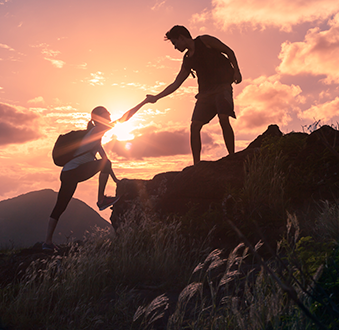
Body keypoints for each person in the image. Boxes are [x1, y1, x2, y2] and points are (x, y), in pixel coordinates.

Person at [44, 99, 148, 251]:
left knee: (60, 206)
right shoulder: (96, 131)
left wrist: (115, 179)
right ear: (100, 118)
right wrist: (144, 102)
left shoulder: (94, 136)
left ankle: (47, 242)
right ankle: (101, 200)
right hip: (73, 172)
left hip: (68, 173)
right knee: (61, 205)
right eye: (107, 113)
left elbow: (106, 160)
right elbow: (124, 119)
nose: (110, 115)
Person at [146, 25, 242, 165]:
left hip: (222, 87)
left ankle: (232, 157)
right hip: (205, 94)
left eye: (175, 43)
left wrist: (237, 71)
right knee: (195, 126)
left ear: (181, 37)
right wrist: (156, 97)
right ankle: (196, 165)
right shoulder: (187, 60)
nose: (175, 47)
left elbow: (229, 51)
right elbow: (176, 83)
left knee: (223, 118)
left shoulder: (205, 41)